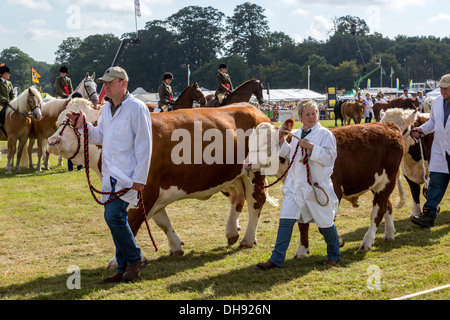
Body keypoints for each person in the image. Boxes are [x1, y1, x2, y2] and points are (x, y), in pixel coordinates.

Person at [66, 66, 152, 282]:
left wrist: (140, 178)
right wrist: (83, 125)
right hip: (110, 174)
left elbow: (145, 145)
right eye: (104, 83)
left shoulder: (137, 108)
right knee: (117, 218)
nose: (105, 86)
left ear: (123, 83)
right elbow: (99, 136)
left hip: (128, 175)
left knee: (113, 216)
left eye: (109, 83)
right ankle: (123, 267)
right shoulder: (106, 109)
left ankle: (135, 258)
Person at [257, 100, 341, 270]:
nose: (312, 117)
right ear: (301, 116)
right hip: (294, 186)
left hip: (315, 186)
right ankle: (277, 258)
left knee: (325, 222)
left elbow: (330, 157)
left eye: (314, 113)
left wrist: (312, 148)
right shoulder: (296, 133)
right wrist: (282, 143)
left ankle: (334, 255)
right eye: (308, 114)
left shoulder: (325, 134)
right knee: (285, 220)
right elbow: (292, 155)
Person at [410, 74, 450, 228]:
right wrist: (421, 129)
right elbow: (433, 122)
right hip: (441, 150)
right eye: (441, 88)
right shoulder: (437, 102)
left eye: (446, 88)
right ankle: (428, 215)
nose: (443, 91)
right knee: (435, 183)